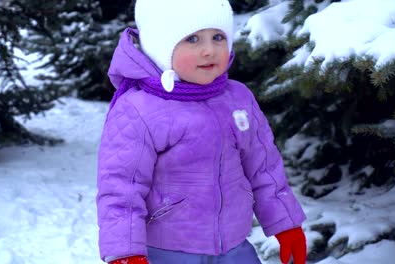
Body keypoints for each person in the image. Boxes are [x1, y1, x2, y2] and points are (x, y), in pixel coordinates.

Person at [96, 0, 307, 263]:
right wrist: (126, 252)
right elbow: (121, 187)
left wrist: (285, 222)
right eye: (192, 39)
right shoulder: (139, 109)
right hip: (167, 253)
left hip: (234, 248)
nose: (209, 50)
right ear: (162, 47)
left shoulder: (238, 98)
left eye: (218, 37)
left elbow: (263, 166)